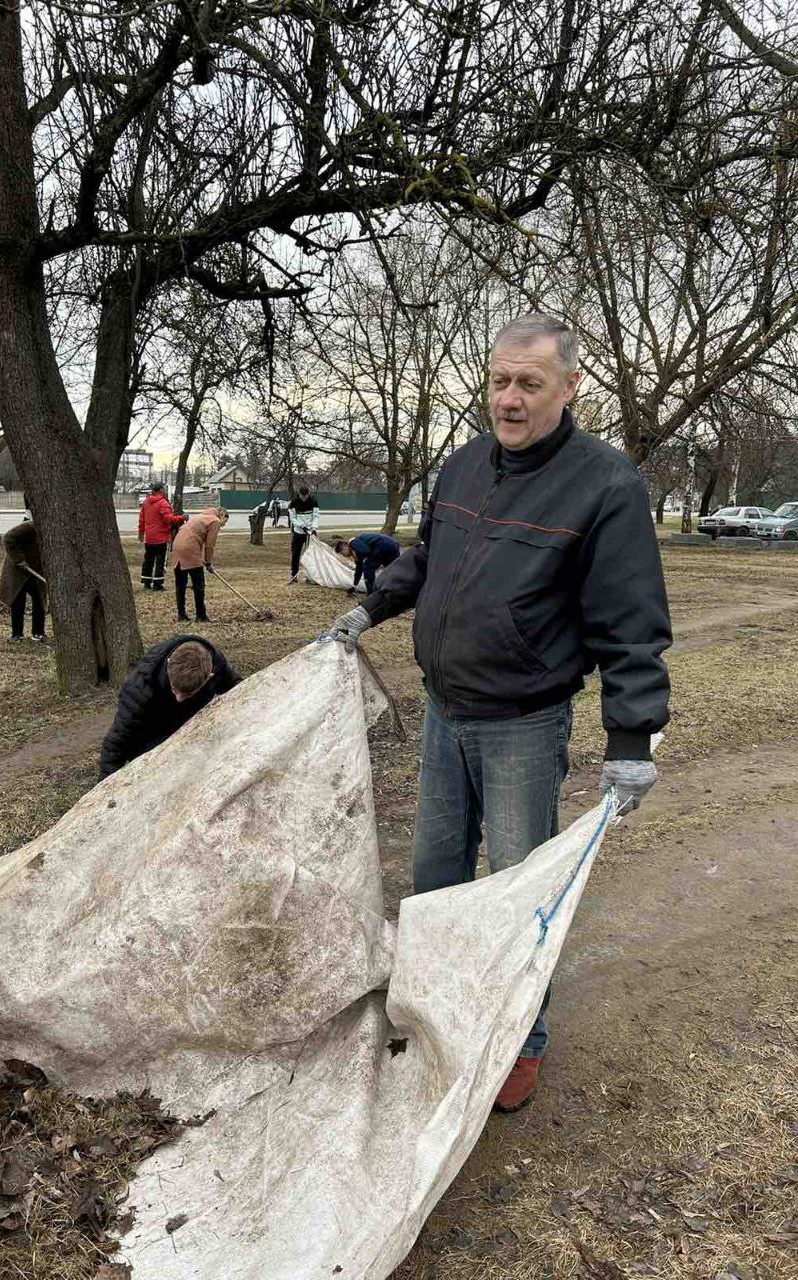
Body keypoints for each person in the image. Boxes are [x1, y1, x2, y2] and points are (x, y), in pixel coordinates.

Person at [324, 313, 671, 1113]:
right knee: (435, 879)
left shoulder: (607, 486)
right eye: (499, 381)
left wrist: (631, 738)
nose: (508, 400)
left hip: (524, 725)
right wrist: (370, 611)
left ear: (570, 386)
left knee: (517, 895)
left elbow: (630, 622)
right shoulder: (463, 466)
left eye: (529, 384)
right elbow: (426, 557)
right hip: (446, 714)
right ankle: (430, 1016)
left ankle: (521, 1042)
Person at [99, 636, 241, 778]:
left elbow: (239, 690)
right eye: (174, 689)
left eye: (187, 694)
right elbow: (116, 743)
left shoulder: (215, 663)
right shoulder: (140, 688)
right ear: (168, 664)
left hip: (189, 731)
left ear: (209, 677)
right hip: (149, 740)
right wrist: (105, 794)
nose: (179, 698)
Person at [170, 506, 228, 622]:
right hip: (190, 548)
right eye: (225, 521)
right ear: (221, 515)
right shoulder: (214, 521)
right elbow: (209, 545)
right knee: (199, 584)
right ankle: (201, 616)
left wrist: (205, 561)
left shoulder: (200, 516)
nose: (223, 525)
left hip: (177, 546)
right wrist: (208, 562)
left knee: (180, 584)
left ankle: (181, 615)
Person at [0, 518, 47, 642]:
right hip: (18, 569)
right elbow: (8, 538)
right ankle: (17, 634)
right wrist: (19, 559)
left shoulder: (54, 531)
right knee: (18, 601)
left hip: (35, 571)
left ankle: (38, 633)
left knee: (39, 599)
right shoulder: (30, 526)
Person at [138, 482, 185, 591]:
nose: (165, 491)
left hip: (149, 537)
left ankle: (146, 581)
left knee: (148, 560)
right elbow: (169, 519)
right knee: (160, 561)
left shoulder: (145, 502)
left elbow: (142, 519)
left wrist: (141, 532)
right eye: (164, 489)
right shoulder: (163, 503)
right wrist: (181, 518)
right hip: (161, 537)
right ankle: (158, 583)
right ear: (160, 490)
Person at [335, 532, 400, 594]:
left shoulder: (352, 542)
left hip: (383, 544)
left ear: (345, 547)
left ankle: (370, 594)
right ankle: (396, 589)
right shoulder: (357, 549)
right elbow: (359, 570)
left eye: (342, 553)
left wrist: (360, 558)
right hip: (393, 544)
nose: (344, 555)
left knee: (368, 568)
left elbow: (366, 551)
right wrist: (354, 586)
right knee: (390, 569)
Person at [287, 485, 320, 583]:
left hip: (310, 532)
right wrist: (301, 526)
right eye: (302, 496)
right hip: (298, 532)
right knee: (295, 554)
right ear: (299, 494)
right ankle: (294, 576)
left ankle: (310, 577)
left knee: (310, 554)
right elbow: (293, 518)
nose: (304, 498)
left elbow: (315, 516)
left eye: (305, 496)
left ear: (308, 494)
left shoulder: (313, 501)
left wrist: (313, 528)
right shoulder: (294, 503)